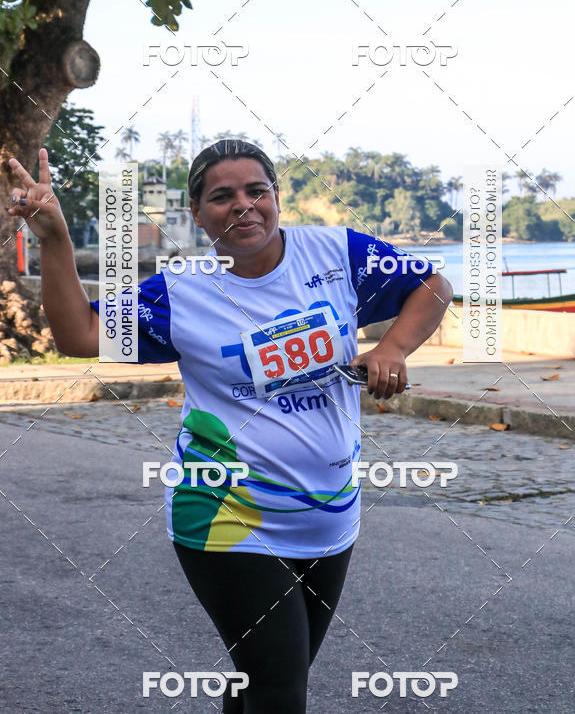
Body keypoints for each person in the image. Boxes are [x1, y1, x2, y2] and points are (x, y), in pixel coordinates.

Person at [7, 141, 453, 713]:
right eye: (222, 197)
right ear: (197, 215)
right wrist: (55, 240)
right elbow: (78, 335)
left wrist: (392, 345)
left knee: (261, 677)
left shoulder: (339, 253)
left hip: (330, 513)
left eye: (255, 191)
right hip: (227, 514)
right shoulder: (182, 293)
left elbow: (433, 285)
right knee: (280, 687)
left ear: (276, 197)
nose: (243, 206)